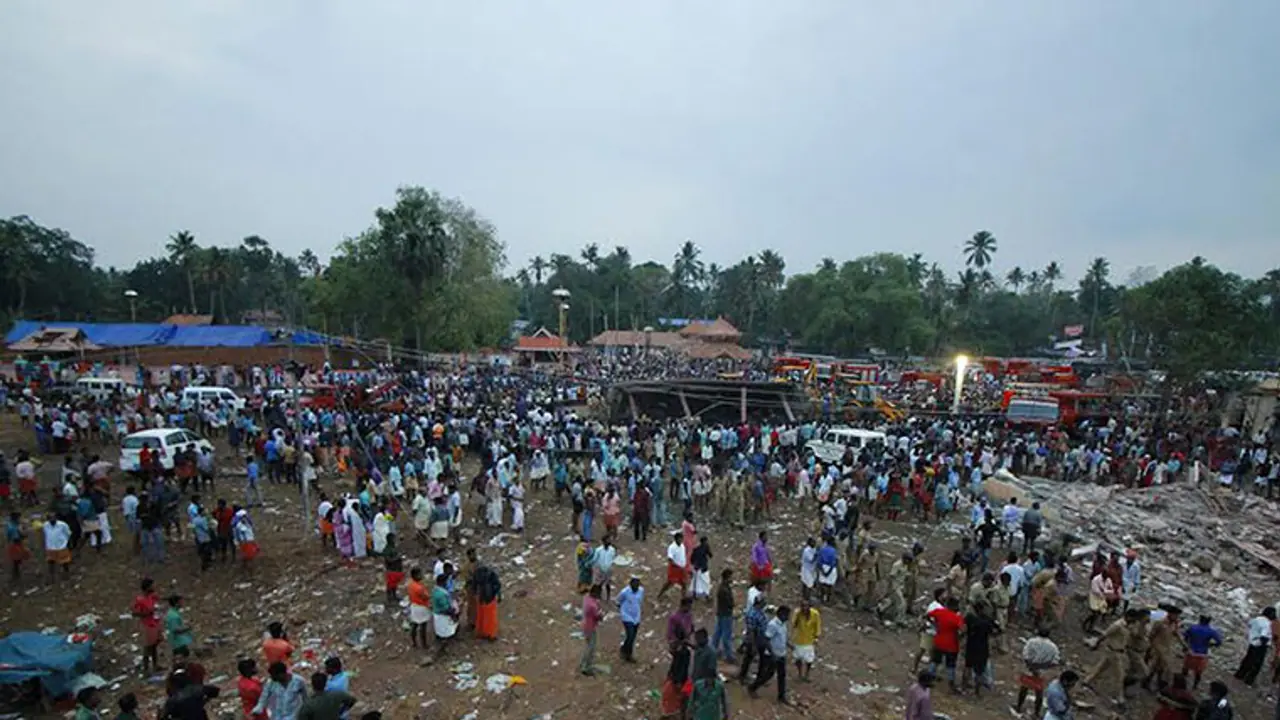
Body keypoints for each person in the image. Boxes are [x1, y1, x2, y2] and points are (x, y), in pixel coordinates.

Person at [748, 604, 790, 704]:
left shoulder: (783, 623)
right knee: (768, 675)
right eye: (787, 615)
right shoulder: (773, 625)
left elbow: (782, 637)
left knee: (782, 675)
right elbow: (766, 640)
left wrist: (789, 645)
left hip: (781, 653)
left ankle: (781, 696)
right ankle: (752, 687)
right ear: (781, 614)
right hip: (773, 654)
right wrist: (772, 654)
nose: (788, 617)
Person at [1015, 628, 1059, 717]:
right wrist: (1042, 667)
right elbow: (1055, 661)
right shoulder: (1053, 647)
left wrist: (1032, 667)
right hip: (1042, 672)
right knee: (1039, 692)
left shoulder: (1031, 642)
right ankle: (1036, 713)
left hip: (1029, 669)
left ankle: (1019, 707)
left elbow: (1025, 655)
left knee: (1024, 688)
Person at [927, 597, 964, 692]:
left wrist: (934, 624)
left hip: (939, 641)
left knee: (935, 661)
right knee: (950, 665)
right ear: (954, 606)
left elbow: (928, 615)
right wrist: (960, 637)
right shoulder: (956, 618)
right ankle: (951, 684)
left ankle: (929, 678)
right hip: (952, 645)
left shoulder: (939, 612)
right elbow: (963, 629)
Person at [1234, 606, 1275, 686]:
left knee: (1247, 659)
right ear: (1270, 614)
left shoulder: (1257, 619)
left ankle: (1239, 675)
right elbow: (1264, 636)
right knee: (1256, 664)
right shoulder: (1267, 624)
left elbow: (1250, 624)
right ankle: (1248, 680)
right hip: (1261, 646)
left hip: (1252, 642)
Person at [1182, 614, 1223, 690]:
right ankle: (1195, 686)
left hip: (1191, 652)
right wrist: (1210, 644)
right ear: (1209, 622)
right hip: (1201, 654)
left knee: (1186, 668)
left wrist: (1186, 645)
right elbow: (1219, 642)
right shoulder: (1211, 631)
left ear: (1200, 620)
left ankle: (1182, 682)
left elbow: (1185, 636)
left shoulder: (1192, 627)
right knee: (1198, 672)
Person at [661, 626, 693, 718]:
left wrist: (677, 681)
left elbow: (681, 668)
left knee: (679, 701)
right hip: (680, 680)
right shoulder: (683, 651)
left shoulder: (683, 653)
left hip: (680, 681)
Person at [791, 598, 821, 683]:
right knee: (798, 659)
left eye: (806, 606)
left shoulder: (815, 614)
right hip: (798, 640)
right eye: (802, 606)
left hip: (809, 640)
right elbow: (793, 624)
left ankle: (807, 674)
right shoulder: (797, 613)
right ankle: (800, 674)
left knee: (809, 660)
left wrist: (816, 637)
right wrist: (797, 616)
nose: (804, 608)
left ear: (809, 607)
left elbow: (817, 626)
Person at [617, 576, 644, 663]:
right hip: (626, 616)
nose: (635, 587)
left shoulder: (641, 591)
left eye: (637, 585)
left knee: (632, 637)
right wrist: (623, 610)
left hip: (636, 616)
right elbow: (618, 601)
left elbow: (640, 601)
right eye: (634, 585)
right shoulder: (625, 592)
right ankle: (625, 652)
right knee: (630, 635)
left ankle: (627, 652)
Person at [710, 569, 736, 662]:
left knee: (718, 633)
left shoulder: (722, 587)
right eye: (731, 577)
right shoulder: (724, 590)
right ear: (727, 577)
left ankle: (713, 650)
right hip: (726, 614)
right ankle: (728, 655)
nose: (732, 579)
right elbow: (730, 603)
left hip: (721, 613)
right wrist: (732, 605)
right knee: (726, 635)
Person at [580, 583, 604, 676]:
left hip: (585, 625)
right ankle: (586, 667)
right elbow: (598, 616)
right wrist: (601, 615)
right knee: (591, 648)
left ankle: (583, 663)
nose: (600, 595)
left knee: (588, 646)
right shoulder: (592, 606)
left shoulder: (587, 598)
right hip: (590, 627)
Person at [473, 563, 501, 641]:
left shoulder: (477, 574)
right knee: (491, 617)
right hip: (490, 598)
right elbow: (498, 586)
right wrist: (498, 595)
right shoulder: (491, 574)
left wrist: (475, 594)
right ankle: (491, 634)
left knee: (481, 616)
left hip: (481, 598)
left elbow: (474, 586)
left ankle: (481, 632)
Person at [658, 531, 688, 599]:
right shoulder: (672, 547)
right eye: (680, 539)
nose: (681, 540)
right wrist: (678, 566)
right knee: (669, 583)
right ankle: (660, 595)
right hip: (674, 568)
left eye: (682, 539)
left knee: (684, 583)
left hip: (682, 568)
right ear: (676, 539)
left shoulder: (682, 546)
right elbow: (670, 560)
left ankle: (684, 598)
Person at [406, 567, 430, 649]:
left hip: (414, 606)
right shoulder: (419, 588)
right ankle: (424, 644)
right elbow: (426, 597)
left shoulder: (411, 584)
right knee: (423, 626)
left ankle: (414, 642)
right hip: (421, 607)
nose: (422, 575)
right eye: (420, 574)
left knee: (415, 624)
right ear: (415, 575)